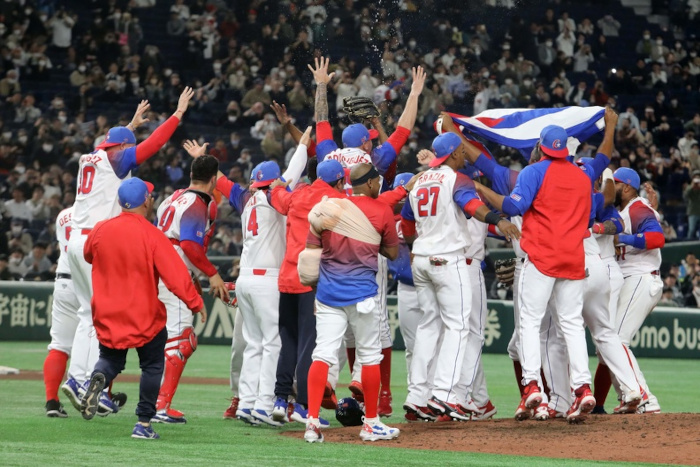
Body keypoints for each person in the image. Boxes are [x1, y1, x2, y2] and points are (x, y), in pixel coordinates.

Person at [62, 88, 195, 413]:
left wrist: (132, 125)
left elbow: (116, 144)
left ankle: (76, 379)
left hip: (75, 242)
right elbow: (151, 147)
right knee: (98, 320)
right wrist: (177, 116)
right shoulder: (117, 157)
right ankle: (87, 383)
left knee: (86, 316)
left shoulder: (91, 156)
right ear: (121, 147)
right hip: (97, 238)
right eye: (127, 145)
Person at [185, 127, 311, 426]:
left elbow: (225, 182)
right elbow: (293, 169)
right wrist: (304, 142)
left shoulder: (246, 198)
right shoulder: (276, 196)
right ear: (273, 180)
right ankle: (265, 405)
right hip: (268, 279)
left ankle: (247, 403)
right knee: (273, 344)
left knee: (253, 344)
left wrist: (203, 158)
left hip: (245, 280)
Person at [474, 125, 595, 423]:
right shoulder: (582, 177)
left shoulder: (534, 172)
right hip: (573, 258)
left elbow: (514, 205)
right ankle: (582, 387)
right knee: (572, 325)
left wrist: (482, 191)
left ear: (541, 147)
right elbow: (589, 216)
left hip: (540, 256)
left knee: (529, 323)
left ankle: (531, 385)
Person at [399, 133, 519, 422]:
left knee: (429, 327)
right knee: (458, 328)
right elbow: (471, 206)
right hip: (448, 260)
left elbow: (406, 222)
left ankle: (418, 396)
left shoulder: (418, 183)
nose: (465, 157)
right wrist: (496, 219)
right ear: (452, 154)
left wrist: (420, 243)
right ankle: (447, 395)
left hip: (423, 259)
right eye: (462, 152)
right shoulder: (457, 180)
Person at [79, 178, 205, 440]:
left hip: (107, 311)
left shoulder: (101, 229)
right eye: (150, 196)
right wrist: (195, 302)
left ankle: (99, 377)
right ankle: (144, 423)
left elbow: (88, 255)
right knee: (151, 366)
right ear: (146, 201)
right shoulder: (152, 234)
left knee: (111, 359)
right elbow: (175, 276)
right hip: (143, 314)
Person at [301, 163, 401, 443]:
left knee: (322, 354)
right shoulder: (381, 210)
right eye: (377, 181)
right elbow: (392, 253)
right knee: (370, 357)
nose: (380, 185)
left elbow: (310, 253)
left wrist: (315, 287)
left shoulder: (328, 207)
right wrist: (371, 241)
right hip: (363, 296)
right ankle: (370, 424)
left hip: (328, 295)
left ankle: (311, 423)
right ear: (369, 184)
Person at [267, 158, 347, 424]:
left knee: (288, 340)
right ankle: (302, 406)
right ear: (339, 180)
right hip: (313, 281)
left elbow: (275, 194)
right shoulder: (338, 201)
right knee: (309, 345)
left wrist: (278, 185)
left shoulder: (298, 194)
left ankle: (280, 400)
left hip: (287, 278)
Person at [152, 154, 229, 424]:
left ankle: (145, 399)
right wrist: (212, 274)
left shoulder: (171, 198)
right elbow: (188, 246)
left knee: (155, 339)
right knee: (182, 340)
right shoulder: (198, 202)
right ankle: (160, 406)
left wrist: (194, 279)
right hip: (172, 272)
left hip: (156, 267)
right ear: (213, 180)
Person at [43, 207, 79, 417]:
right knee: (100, 341)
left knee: (59, 346)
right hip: (90, 281)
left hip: (64, 279)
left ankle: (52, 402)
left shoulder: (63, 215)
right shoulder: (99, 211)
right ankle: (103, 396)